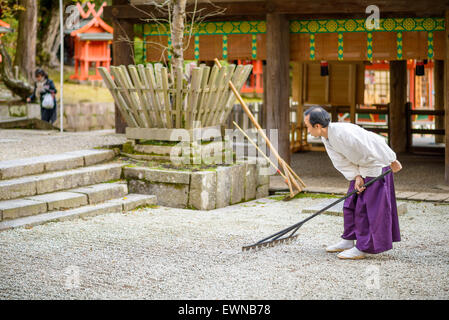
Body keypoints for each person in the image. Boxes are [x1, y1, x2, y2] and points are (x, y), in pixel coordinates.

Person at [304, 106, 402, 260]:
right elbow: (340, 161)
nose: (307, 130)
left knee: (366, 209)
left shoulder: (344, 133)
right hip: (360, 168)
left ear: (317, 126)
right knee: (350, 204)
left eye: (307, 126)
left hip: (374, 165)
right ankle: (348, 239)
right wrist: (356, 175)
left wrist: (392, 159)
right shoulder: (327, 137)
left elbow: (374, 141)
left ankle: (363, 247)